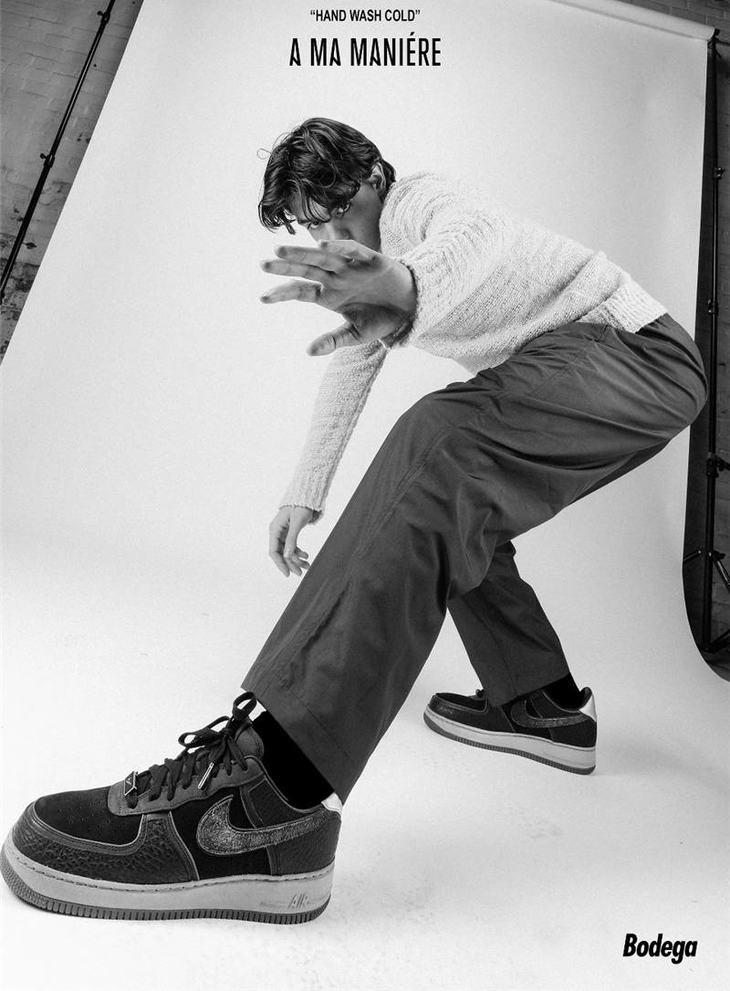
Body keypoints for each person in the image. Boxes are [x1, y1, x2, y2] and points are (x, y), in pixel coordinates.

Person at [1, 118, 708, 924]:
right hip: (584, 366)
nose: (334, 239)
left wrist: (402, 285)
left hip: (636, 352)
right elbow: (350, 367)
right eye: (314, 228)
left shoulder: (424, 204)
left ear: (373, 178)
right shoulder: (378, 274)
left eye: (339, 213)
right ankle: (540, 700)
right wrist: (303, 492)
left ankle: (274, 797)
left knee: (440, 441)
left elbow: (471, 241)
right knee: (456, 503)